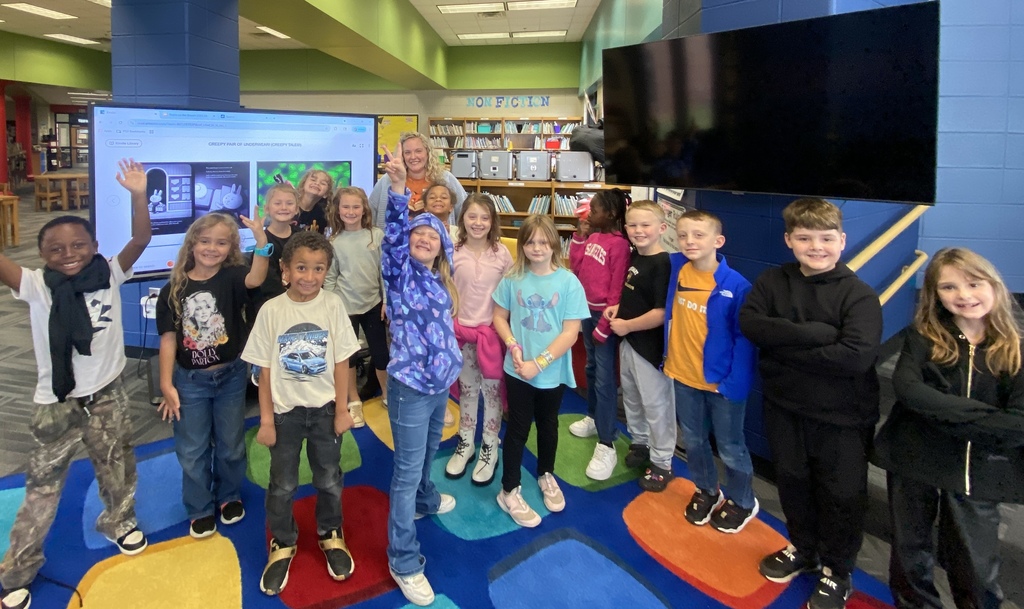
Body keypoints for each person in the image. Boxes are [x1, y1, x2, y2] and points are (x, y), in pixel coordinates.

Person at [0, 159, 152, 609]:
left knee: (117, 465)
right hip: (57, 403)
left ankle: (119, 521)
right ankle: (19, 569)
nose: (68, 253)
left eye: (78, 244)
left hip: (108, 394)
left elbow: (141, 239)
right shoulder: (36, 285)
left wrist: (138, 195)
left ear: (94, 246)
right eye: (55, 248)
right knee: (42, 488)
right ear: (42, 253)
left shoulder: (109, 272)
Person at [739, 198, 882, 609]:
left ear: (842, 240)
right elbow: (751, 324)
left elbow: (855, 356)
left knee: (841, 494)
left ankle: (838, 569)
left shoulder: (858, 295)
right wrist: (818, 334)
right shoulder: (772, 281)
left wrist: (782, 348)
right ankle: (803, 548)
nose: (816, 247)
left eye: (825, 238)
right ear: (789, 240)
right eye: (804, 238)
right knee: (793, 482)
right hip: (785, 407)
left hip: (842, 417)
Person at [872, 247, 1024, 609]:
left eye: (974, 283)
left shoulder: (1015, 349)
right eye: (949, 287)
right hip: (914, 458)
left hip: (975, 468)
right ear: (935, 294)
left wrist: (938, 409)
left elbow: (1018, 423)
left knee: (975, 564)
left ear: (994, 285)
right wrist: (985, 414)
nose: (964, 295)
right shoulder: (922, 336)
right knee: (909, 552)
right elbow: (909, 390)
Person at [242, 231, 360, 596]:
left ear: (327, 271)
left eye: (318, 268)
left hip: (325, 412)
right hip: (284, 415)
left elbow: (342, 363)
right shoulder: (271, 311)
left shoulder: (333, 305)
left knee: (329, 477)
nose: (309, 276)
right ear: (285, 270)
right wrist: (265, 421)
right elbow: (264, 372)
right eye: (302, 268)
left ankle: (330, 531)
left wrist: (342, 410)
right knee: (282, 484)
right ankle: (283, 540)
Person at [380, 146, 462, 607]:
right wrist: (397, 189)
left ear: (443, 246)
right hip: (410, 388)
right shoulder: (401, 274)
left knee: (430, 452)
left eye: (433, 235)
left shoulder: (441, 279)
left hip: (440, 385)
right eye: (419, 234)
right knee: (406, 472)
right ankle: (403, 559)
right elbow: (394, 235)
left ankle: (426, 502)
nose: (425, 239)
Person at [156, 211, 270, 539]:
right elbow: (168, 340)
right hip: (190, 382)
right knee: (192, 449)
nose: (212, 248)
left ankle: (229, 494)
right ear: (192, 244)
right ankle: (200, 507)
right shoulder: (174, 289)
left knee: (230, 444)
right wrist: (166, 384)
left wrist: (261, 240)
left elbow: (256, 279)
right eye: (205, 241)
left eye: (221, 243)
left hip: (231, 377)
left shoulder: (233, 276)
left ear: (231, 248)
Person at [492, 215, 589, 528]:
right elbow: (499, 317)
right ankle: (508, 490)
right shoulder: (513, 278)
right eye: (530, 242)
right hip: (518, 369)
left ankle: (546, 473)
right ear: (522, 245)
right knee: (518, 428)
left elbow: (570, 332)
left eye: (543, 242)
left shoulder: (569, 282)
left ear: (554, 244)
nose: (537, 248)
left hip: (550, 371)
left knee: (548, 424)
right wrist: (513, 345)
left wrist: (540, 363)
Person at [665, 210, 758, 531]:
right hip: (682, 376)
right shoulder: (676, 269)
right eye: (683, 235)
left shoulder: (737, 286)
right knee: (693, 441)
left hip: (721, 384)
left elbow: (744, 339)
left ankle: (742, 500)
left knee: (731, 448)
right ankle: (706, 489)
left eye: (698, 235)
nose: (689, 241)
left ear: (718, 241)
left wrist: (734, 383)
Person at [602, 202, 674, 491]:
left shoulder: (663, 264)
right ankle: (640, 442)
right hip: (629, 342)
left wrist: (628, 325)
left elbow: (661, 312)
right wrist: (618, 308)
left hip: (649, 348)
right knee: (631, 397)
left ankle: (662, 461)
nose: (638, 230)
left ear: (662, 228)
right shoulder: (635, 256)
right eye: (632, 225)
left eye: (645, 225)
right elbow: (634, 295)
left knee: (656, 404)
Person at [445, 193, 513, 484]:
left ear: (492, 221)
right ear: (462, 219)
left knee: (492, 393)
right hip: (460, 334)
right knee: (468, 390)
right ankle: (466, 440)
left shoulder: (502, 254)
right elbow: (445, 288)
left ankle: (489, 444)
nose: (478, 223)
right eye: (472, 216)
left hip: (491, 337)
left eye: (485, 217)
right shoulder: (451, 251)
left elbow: (510, 295)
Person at [567, 189, 631, 481]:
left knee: (605, 379)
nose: (589, 214)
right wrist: (580, 237)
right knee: (591, 368)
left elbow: (617, 289)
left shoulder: (619, 246)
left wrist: (605, 325)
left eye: (595, 210)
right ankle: (593, 417)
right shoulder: (593, 237)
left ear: (612, 214)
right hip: (586, 312)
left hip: (603, 317)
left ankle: (607, 441)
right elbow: (576, 267)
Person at [324, 186, 389, 426]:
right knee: (348, 358)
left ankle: (388, 394)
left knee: (381, 355)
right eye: (346, 207)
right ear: (338, 210)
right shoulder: (333, 241)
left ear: (364, 209)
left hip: (373, 305)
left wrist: (387, 300)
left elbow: (384, 273)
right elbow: (330, 278)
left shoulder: (376, 236)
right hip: (345, 308)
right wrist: (331, 307)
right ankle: (354, 401)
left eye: (355, 207)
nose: (350, 212)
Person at [369, 132, 466, 230]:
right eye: (407, 152)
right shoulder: (388, 180)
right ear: (402, 156)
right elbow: (371, 213)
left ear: (428, 153)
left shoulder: (446, 179)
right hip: (397, 237)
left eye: (418, 151)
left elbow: (465, 210)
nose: (413, 157)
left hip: (437, 238)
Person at [250, 182, 300, 313]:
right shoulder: (263, 242)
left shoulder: (302, 237)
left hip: (299, 302)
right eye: (277, 203)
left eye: (289, 203)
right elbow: (268, 285)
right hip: (272, 308)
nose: (284, 207)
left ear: (296, 209)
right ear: (267, 208)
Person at [295, 169, 333, 234]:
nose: (317, 183)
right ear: (303, 185)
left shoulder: (322, 216)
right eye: (313, 180)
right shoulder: (289, 206)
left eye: (323, 183)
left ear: (326, 194)